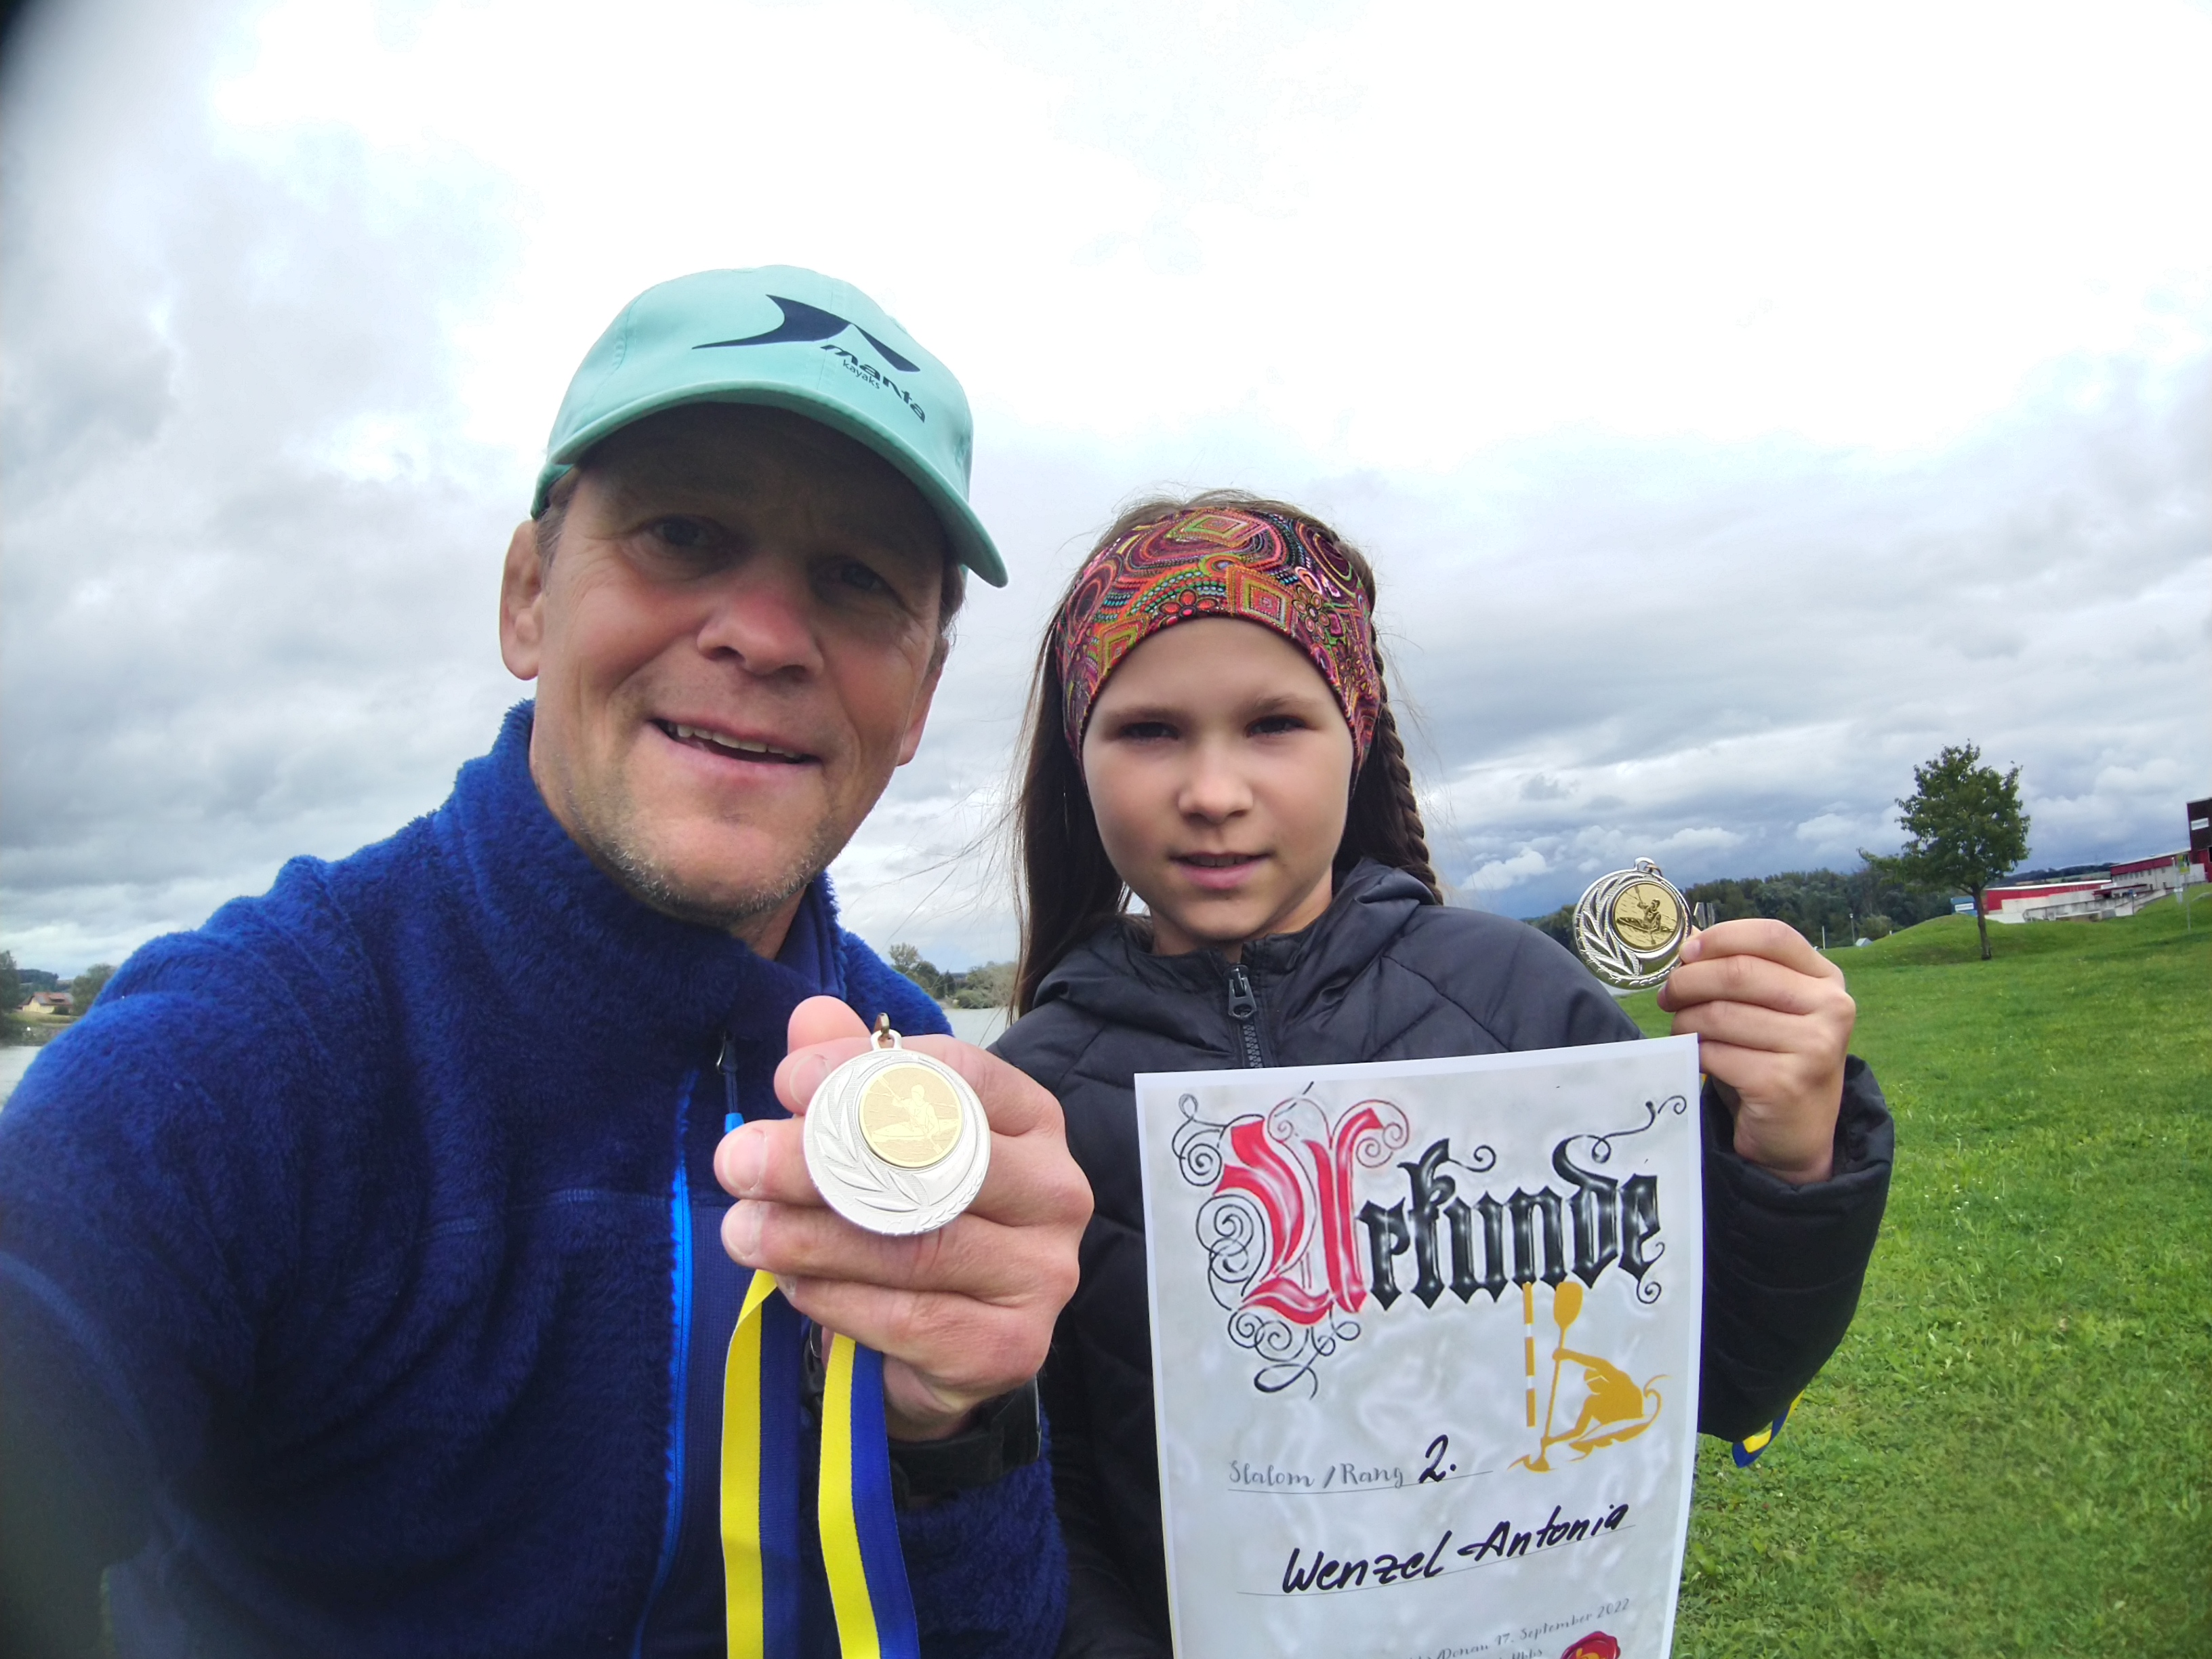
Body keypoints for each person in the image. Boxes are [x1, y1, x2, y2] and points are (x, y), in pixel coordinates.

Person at [0, 267, 1091, 1659]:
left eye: (857, 581)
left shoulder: (911, 1074)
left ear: (924, 692)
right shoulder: (236, 1063)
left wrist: (961, 1430)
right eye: (686, 532)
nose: (760, 634)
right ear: (528, 598)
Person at [990, 493, 1896, 1657]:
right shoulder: (1033, 1097)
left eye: (1274, 723)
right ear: (1079, 754)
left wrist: (1791, 1153)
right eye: (1150, 730)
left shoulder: (1519, 1006)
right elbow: (1037, 1491)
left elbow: (1725, 1381)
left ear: (1357, 732)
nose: (1213, 792)